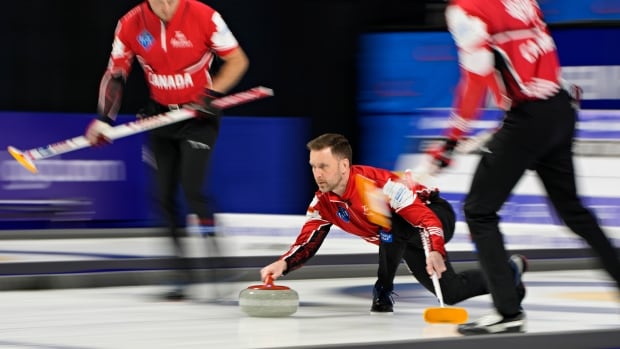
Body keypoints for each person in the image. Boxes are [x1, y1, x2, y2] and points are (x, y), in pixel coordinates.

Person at [424, 0, 620, 335]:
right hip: (559, 108)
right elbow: (537, 52)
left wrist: (451, 140)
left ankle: (508, 311)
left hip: (528, 118)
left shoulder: (464, 10)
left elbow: (476, 77)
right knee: (574, 212)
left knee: (479, 210)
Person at [84, 0, 249, 300]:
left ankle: (219, 264)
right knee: (162, 195)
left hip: (199, 117)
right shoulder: (131, 23)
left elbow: (237, 60)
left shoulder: (204, 16)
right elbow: (116, 74)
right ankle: (180, 275)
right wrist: (103, 119)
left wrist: (210, 95)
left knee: (193, 187)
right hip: (159, 116)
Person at [260, 133, 527, 314]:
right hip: (403, 238)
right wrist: (282, 264)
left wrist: (435, 249)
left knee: (390, 224)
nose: (317, 174)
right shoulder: (323, 204)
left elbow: (425, 219)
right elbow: (307, 242)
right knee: (450, 294)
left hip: (434, 216)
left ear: (343, 165)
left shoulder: (377, 186)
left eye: (323, 166)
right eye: (313, 166)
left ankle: (383, 291)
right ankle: (508, 276)